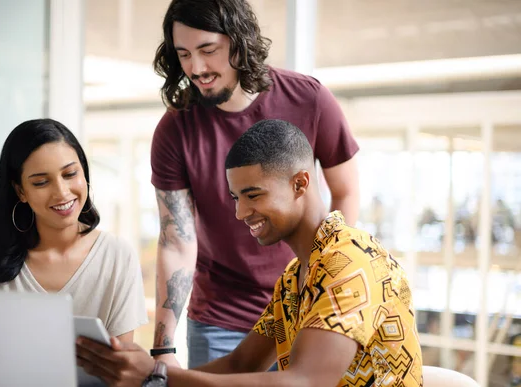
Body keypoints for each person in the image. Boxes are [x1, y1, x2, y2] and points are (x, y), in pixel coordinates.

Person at [76, 119, 422, 387]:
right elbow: (240, 364)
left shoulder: (350, 261)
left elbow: (304, 382)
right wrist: (148, 372)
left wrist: (157, 377)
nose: (241, 213)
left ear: (300, 183)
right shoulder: (295, 277)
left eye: (253, 195)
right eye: (236, 198)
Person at [150, 0, 360, 368]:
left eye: (208, 50)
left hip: (304, 309)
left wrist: (325, 278)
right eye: (183, 54)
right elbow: (175, 241)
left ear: (238, 40)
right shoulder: (175, 129)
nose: (195, 68)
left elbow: (345, 190)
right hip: (219, 320)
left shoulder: (308, 99)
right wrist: (163, 349)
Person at [0, 118, 148, 347]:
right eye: (40, 182)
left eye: (70, 174)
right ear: (20, 191)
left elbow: (123, 370)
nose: (62, 192)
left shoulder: (117, 256)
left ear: (84, 174)